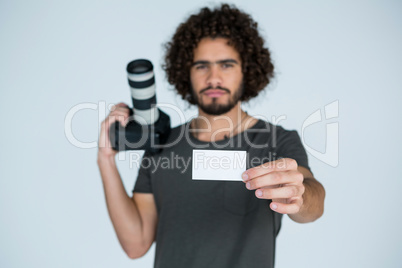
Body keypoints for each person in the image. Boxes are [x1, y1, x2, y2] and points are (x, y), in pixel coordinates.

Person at [97, 4, 325, 268]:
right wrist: (105, 159)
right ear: (186, 72)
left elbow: (313, 205)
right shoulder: (160, 144)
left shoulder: (277, 141)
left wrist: (300, 196)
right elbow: (136, 245)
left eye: (226, 65)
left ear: (246, 70)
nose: (213, 78)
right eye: (202, 66)